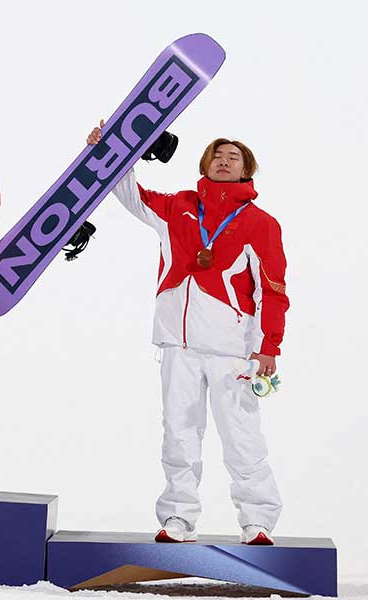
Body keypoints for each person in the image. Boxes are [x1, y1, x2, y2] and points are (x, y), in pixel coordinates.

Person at [87, 122, 288, 545]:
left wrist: (268, 346)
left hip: (233, 350)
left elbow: (272, 290)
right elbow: (132, 195)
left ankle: (257, 520)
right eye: (218, 155)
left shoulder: (260, 223)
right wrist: (108, 151)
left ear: (247, 170)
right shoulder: (179, 206)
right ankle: (178, 516)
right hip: (177, 346)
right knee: (178, 434)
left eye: (234, 157)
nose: (224, 161)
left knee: (242, 438)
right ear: (205, 164)